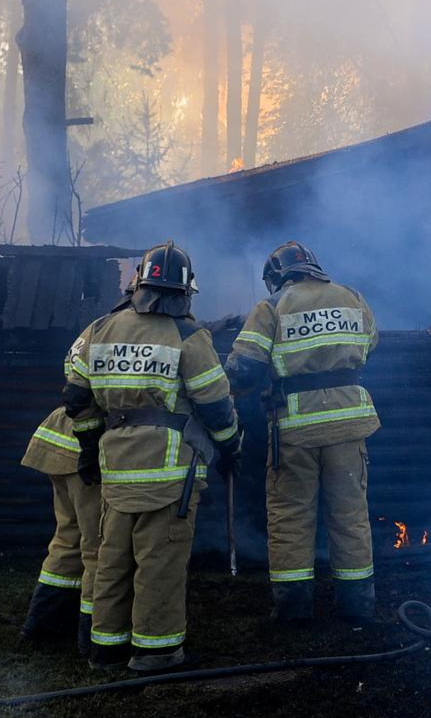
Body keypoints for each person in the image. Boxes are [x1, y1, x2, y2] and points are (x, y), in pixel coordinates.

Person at [64, 242, 241, 672]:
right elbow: (215, 403)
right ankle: (157, 651)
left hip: (116, 466)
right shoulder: (188, 336)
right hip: (168, 473)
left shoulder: (99, 329)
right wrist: (230, 445)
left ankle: (105, 647)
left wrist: (90, 447)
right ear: (185, 291)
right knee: (159, 561)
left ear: (137, 285)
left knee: (113, 558)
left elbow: (76, 396)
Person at [227, 241, 381, 625]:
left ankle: (293, 612)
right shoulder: (352, 297)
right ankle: (357, 609)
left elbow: (243, 368)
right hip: (349, 424)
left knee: (291, 517)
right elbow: (370, 345)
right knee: (350, 516)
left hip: (295, 431)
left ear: (277, 276)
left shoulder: (272, 307)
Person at [17, 405, 104, 651]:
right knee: (98, 545)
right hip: (87, 447)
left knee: (69, 538)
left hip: (62, 438)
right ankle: (94, 636)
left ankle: (46, 625)